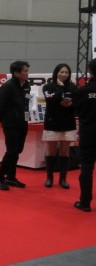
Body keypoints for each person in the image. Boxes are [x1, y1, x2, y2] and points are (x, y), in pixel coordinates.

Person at [0, 60, 31, 191]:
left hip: (23, 123)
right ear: (16, 73)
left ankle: (11, 177)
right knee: (11, 152)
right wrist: (4, 121)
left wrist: (26, 119)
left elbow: (26, 103)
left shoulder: (27, 85)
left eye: (27, 70)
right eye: (25, 71)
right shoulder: (7, 87)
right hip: (11, 124)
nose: (27, 73)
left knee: (18, 151)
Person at [42, 63, 77, 188]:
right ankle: (49, 178)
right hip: (52, 122)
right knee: (51, 151)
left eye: (66, 72)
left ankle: (63, 179)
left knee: (64, 151)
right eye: (61, 72)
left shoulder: (73, 87)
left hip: (68, 123)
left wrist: (70, 104)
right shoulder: (48, 87)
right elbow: (50, 99)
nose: (64, 74)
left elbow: (77, 105)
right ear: (56, 73)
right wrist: (60, 88)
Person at [73, 59, 96, 212]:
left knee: (87, 167)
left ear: (90, 71)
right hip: (88, 132)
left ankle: (85, 202)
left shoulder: (83, 91)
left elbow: (77, 110)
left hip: (89, 133)